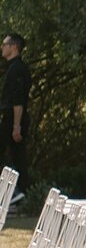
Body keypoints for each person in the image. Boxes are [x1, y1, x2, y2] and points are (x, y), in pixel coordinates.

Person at [1, 32, 32, 203]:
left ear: (14, 47)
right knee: (19, 158)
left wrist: (16, 125)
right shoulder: (12, 67)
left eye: (4, 44)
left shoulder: (18, 69)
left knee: (14, 155)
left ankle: (14, 191)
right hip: (12, 119)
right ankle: (23, 195)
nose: (2, 47)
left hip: (12, 119)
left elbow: (18, 100)